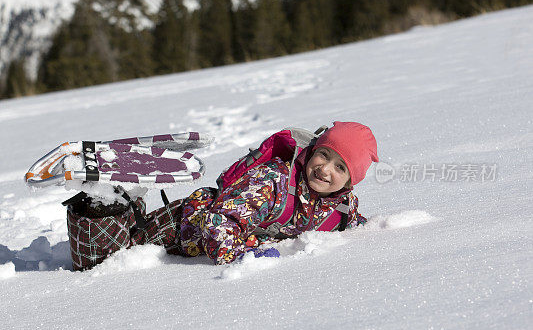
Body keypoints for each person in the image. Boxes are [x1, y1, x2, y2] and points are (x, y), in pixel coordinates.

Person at [66, 121, 378, 271]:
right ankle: (103, 197)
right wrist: (244, 256)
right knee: (106, 259)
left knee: (124, 247)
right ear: (311, 151)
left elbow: (353, 224)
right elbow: (218, 222)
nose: (325, 169)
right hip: (184, 226)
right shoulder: (273, 182)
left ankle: (127, 200)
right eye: (323, 155)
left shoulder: (340, 208)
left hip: (199, 237)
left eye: (340, 167)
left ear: (351, 181)